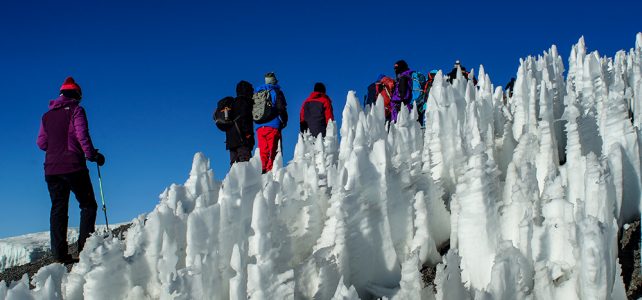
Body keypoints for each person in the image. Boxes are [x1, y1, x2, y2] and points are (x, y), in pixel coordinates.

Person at [36, 77, 104, 264]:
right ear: (76, 94)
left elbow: (41, 143)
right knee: (88, 205)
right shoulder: (76, 110)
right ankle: (85, 252)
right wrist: (92, 155)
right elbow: (83, 136)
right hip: (73, 166)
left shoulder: (47, 116)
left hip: (51, 169)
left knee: (58, 208)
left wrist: (56, 148)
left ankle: (59, 256)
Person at [255, 72, 288, 173]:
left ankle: (263, 171)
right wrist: (284, 121)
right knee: (274, 151)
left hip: (260, 126)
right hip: (273, 125)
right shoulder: (276, 91)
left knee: (263, 151)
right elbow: (281, 108)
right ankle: (272, 173)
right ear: (274, 81)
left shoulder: (257, 93)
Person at [216, 81, 255, 165]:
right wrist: (248, 134)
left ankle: (233, 178)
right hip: (242, 138)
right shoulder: (243, 102)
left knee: (234, 164)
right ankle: (245, 178)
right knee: (244, 163)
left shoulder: (232, 103)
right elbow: (245, 118)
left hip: (231, 139)